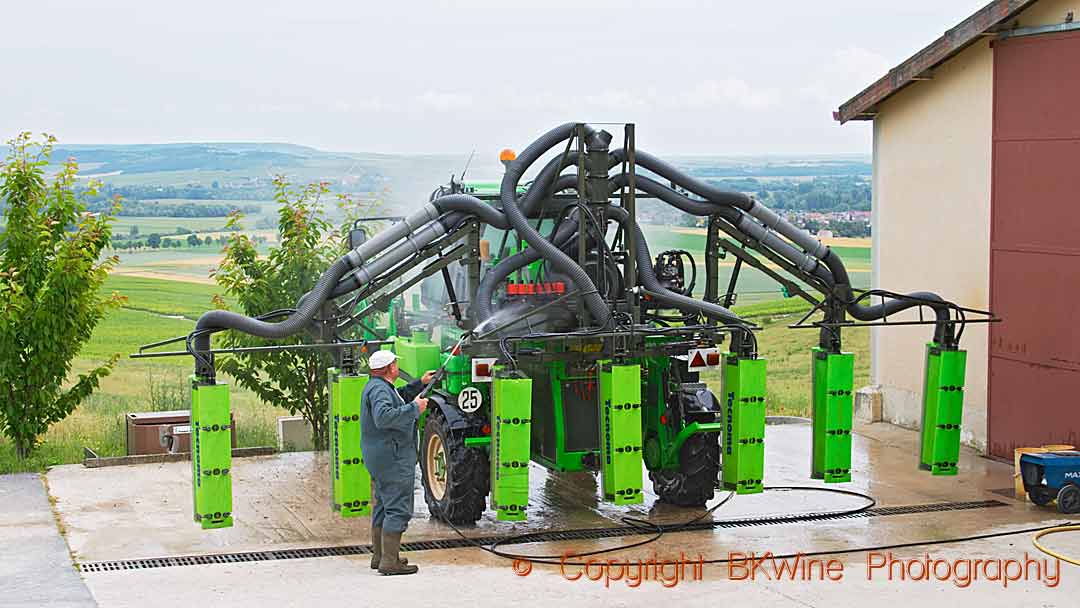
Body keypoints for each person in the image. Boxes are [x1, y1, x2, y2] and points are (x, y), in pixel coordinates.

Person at [360, 349, 435, 576]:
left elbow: (398, 397)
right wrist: (415, 409)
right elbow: (383, 416)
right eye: (395, 364)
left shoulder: (377, 386)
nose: (396, 367)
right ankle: (389, 562)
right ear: (389, 368)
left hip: (381, 457)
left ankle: (380, 555)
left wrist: (420, 383)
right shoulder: (379, 390)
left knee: (383, 505)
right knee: (398, 509)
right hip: (393, 458)